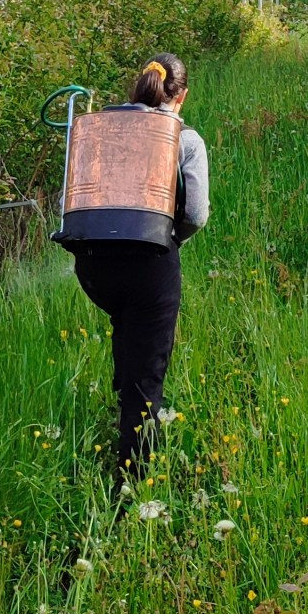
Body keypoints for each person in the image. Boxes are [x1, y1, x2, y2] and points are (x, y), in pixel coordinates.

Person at [71, 53, 209, 484]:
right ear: (181, 96)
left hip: (93, 267)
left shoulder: (100, 127)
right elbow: (196, 214)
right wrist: (172, 240)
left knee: (124, 321)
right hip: (149, 265)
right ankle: (133, 486)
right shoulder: (184, 139)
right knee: (147, 377)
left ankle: (122, 396)